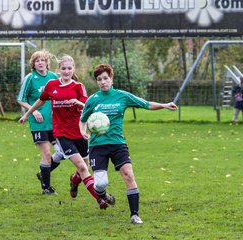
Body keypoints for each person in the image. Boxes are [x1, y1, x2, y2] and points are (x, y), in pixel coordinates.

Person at [79, 64, 177, 224]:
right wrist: (83, 131)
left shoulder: (122, 96)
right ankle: (103, 195)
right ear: (97, 82)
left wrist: (164, 105)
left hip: (118, 144)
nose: (103, 82)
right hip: (97, 146)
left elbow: (145, 104)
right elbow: (83, 119)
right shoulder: (93, 100)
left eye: (105, 78)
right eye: (99, 79)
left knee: (129, 175)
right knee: (101, 183)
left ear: (111, 79)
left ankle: (135, 214)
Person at [18, 55, 114, 209]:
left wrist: (78, 103)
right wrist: (27, 114)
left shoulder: (78, 87)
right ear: (58, 70)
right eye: (63, 68)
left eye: (69, 68)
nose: (66, 71)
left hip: (79, 133)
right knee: (82, 167)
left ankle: (74, 181)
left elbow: (86, 105)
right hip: (62, 134)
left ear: (73, 69)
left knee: (85, 166)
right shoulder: (51, 85)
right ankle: (100, 200)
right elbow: (41, 100)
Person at [17, 50, 63, 195]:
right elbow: (21, 99)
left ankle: (43, 173)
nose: (40, 63)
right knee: (47, 154)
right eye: (37, 61)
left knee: (62, 153)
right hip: (38, 123)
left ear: (47, 62)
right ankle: (46, 188)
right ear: (33, 64)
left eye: (43, 60)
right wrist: (33, 111)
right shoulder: (30, 78)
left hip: (54, 123)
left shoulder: (53, 77)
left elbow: (60, 96)